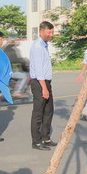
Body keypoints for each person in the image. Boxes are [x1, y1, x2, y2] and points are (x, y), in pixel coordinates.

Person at [30, 21, 56, 151]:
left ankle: (45, 137)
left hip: (45, 82)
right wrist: (44, 88)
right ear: (41, 31)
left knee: (49, 111)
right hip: (39, 83)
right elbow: (39, 70)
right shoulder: (37, 47)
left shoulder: (44, 45)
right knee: (38, 113)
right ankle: (36, 141)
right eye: (49, 32)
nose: (51, 34)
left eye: (52, 32)